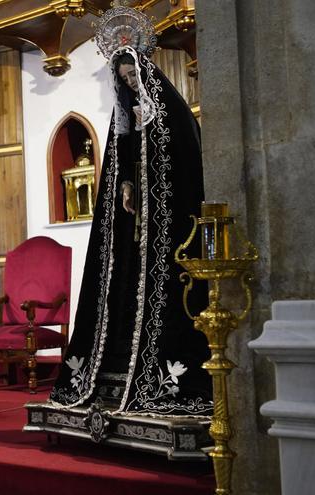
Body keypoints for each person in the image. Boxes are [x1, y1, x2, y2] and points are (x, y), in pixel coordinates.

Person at [48, 5, 212, 417]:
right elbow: (121, 159)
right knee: (122, 280)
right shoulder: (124, 115)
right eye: (122, 80)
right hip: (134, 217)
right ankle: (110, 369)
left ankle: (157, 376)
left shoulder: (171, 110)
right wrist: (124, 186)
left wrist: (151, 129)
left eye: (132, 77)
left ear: (145, 73)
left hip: (166, 219)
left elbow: (184, 161)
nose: (129, 84)